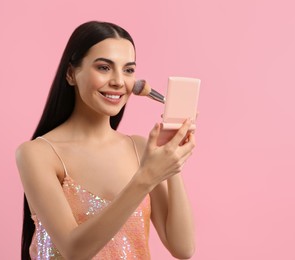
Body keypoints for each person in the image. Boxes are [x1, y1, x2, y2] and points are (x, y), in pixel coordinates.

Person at [16, 21, 196, 260]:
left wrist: (173, 159)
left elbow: (183, 248)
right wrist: (146, 177)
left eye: (129, 70)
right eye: (104, 67)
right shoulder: (37, 154)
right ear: (71, 74)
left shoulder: (140, 149)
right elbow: (74, 250)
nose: (119, 81)